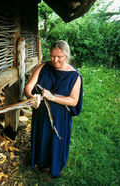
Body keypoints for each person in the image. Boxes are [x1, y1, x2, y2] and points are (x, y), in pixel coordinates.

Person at [24, 40, 83, 178]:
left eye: (59, 57)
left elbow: (73, 101)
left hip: (60, 118)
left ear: (67, 56)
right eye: (52, 56)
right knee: (41, 137)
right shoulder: (43, 67)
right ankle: (39, 161)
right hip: (41, 113)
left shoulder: (75, 76)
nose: (55, 60)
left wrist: (53, 98)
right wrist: (31, 96)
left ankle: (53, 165)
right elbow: (28, 86)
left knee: (55, 140)